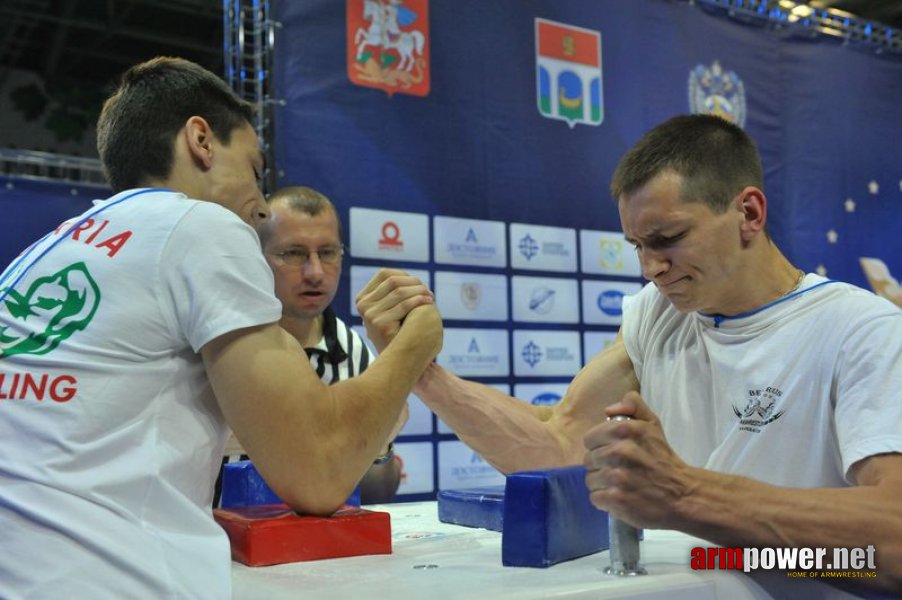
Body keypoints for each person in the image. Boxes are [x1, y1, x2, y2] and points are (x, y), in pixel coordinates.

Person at [357, 114, 902, 593]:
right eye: (638, 246)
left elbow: (895, 538)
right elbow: (559, 445)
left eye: (668, 238)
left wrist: (688, 497)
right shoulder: (656, 314)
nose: (650, 268)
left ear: (750, 214)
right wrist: (420, 371)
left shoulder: (864, 331)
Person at [0, 57, 440, 599]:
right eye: (255, 171)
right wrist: (415, 345)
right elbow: (318, 473)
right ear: (201, 141)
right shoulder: (200, 224)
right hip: (107, 578)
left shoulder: (51, 246)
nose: (258, 207)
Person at [217, 186, 404, 505]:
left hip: (321, 550)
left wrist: (379, 447)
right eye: (294, 253)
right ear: (255, 257)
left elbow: (378, 492)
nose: (315, 272)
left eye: (328, 252)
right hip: (224, 549)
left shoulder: (354, 352)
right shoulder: (219, 342)